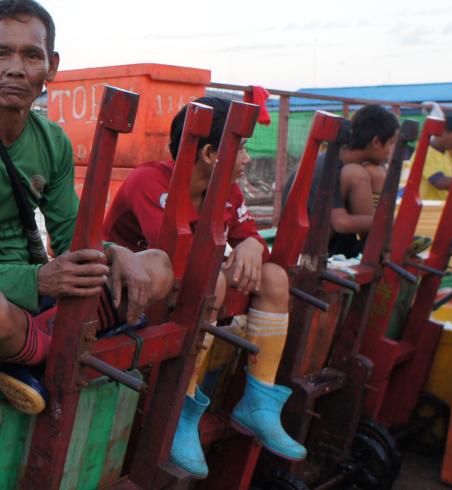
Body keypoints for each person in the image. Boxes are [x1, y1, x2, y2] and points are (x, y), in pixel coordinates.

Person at [0, 0, 174, 416]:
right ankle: (53, 348)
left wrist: (114, 252)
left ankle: (29, 349)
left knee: (154, 266)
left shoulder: (53, 142)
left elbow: (70, 237)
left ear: (51, 67)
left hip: (33, 308)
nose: (15, 68)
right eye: (1, 53)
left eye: (31, 55)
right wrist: (39, 280)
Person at [104, 96, 304, 477]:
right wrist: (235, 260)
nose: (246, 159)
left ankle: (259, 402)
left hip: (183, 294)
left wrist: (248, 244)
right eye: (242, 148)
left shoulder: (228, 189)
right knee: (212, 280)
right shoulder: (151, 182)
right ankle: (179, 407)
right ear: (212, 153)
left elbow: (252, 240)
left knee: (275, 277)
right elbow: (177, 266)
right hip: (125, 295)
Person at [281, 105, 401, 257]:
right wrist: (386, 221)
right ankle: (380, 247)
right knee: (357, 174)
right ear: (376, 142)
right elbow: (341, 223)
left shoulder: (340, 159)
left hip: (330, 238)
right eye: (391, 143)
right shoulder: (331, 166)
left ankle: (379, 245)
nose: (392, 150)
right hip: (305, 247)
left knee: (374, 172)